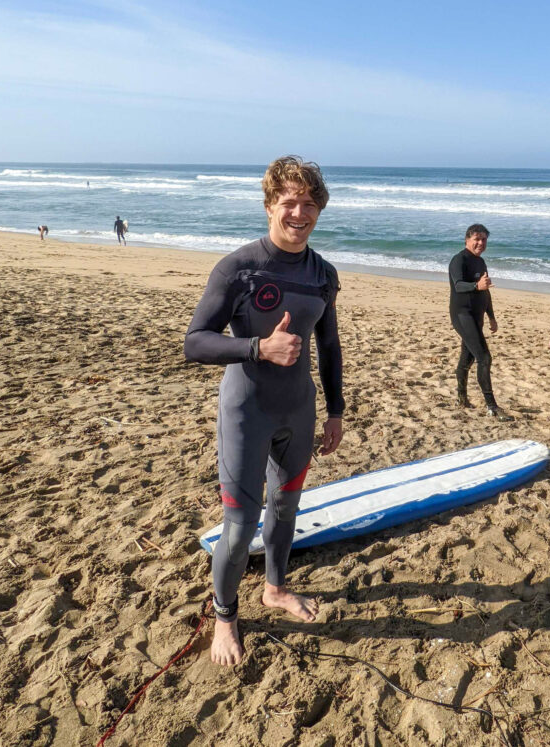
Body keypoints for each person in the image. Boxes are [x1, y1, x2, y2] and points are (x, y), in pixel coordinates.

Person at [184, 156, 344, 666]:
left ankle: (275, 589)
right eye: (289, 202)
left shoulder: (323, 274)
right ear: (270, 205)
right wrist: (257, 348)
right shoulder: (238, 268)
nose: (300, 212)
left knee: (286, 507)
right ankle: (225, 618)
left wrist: (336, 410)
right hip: (246, 412)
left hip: (298, 411)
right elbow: (195, 343)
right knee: (238, 524)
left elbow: (331, 345)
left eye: (309, 203)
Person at [449, 224, 513, 421]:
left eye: (484, 239)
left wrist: (491, 316)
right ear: (467, 239)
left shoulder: (481, 262)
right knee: (484, 357)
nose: (480, 243)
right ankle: (492, 407)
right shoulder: (458, 260)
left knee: (467, 357)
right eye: (477, 239)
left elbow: (485, 291)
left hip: (477, 316)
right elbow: (459, 286)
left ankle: (461, 398)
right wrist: (477, 285)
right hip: (462, 315)